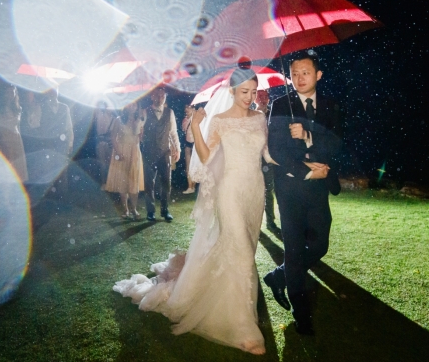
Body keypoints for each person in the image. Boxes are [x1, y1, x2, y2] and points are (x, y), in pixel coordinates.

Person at [114, 68, 275, 355]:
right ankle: (243, 328)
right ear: (232, 92)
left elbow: (267, 155)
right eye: (244, 92)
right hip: (229, 191)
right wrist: (198, 126)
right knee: (239, 250)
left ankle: (230, 303)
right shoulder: (221, 121)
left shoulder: (260, 118)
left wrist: (305, 151)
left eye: (253, 91)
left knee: (245, 250)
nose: (249, 98)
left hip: (254, 192)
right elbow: (205, 157)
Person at [263, 51, 342, 336]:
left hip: (319, 189)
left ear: (318, 75)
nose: (299, 78)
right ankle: (300, 312)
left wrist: (308, 135)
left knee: (320, 244)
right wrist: (307, 168)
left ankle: (279, 275)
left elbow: (336, 144)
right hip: (290, 188)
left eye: (305, 72)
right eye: (294, 73)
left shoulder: (331, 105)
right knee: (295, 248)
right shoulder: (280, 104)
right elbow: (276, 149)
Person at [141, 86, 180, 222]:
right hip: (149, 152)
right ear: (152, 97)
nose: (160, 98)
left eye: (162, 96)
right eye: (157, 96)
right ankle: (150, 212)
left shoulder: (170, 112)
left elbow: (173, 132)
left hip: (165, 152)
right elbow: (140, 131)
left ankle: (165, 210)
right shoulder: (145, 112)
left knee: (166, 183)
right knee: (149, 184)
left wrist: (178, 148)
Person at [104, 102, 146, 220]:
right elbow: (113, 136)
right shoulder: (119, 120)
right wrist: (117, 151)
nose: (132, 107)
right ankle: (125, 209)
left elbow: (140, 139)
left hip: (135, 152)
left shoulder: (140, 119)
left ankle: (134, 209)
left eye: (135, 105)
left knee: (134, 180)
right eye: (130, 105)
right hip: (121, 150)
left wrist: (141, 133)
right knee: (123, 181)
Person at [255, 89, 278, 232]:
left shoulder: (274, 115)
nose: (263, 99)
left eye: (265, 96)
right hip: (253, 159)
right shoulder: (249, 115)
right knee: (254, 193)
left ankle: (270, 222)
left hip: (268, 159)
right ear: (255, 99)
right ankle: (255, 223)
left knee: (269, 191)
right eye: (260, 96)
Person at [95, 101, 117, 188]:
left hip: (110, 143)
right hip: (101, 142)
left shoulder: (115, 119)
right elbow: (96, 108)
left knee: (110, 164)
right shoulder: (100, 115)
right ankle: (103, 183)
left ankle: (111, 183)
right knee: (102, 164)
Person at [181, 104, 197, 194]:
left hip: (196, 144)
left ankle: (193, 186)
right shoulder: (185, 119)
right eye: (185, 107)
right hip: (188, 143)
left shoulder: (197, 118)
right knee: (188, 165)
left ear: (193, 108)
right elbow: (184, 129)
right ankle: (190, 186)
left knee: (195, 165)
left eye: (188, 107)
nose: (186, 109)